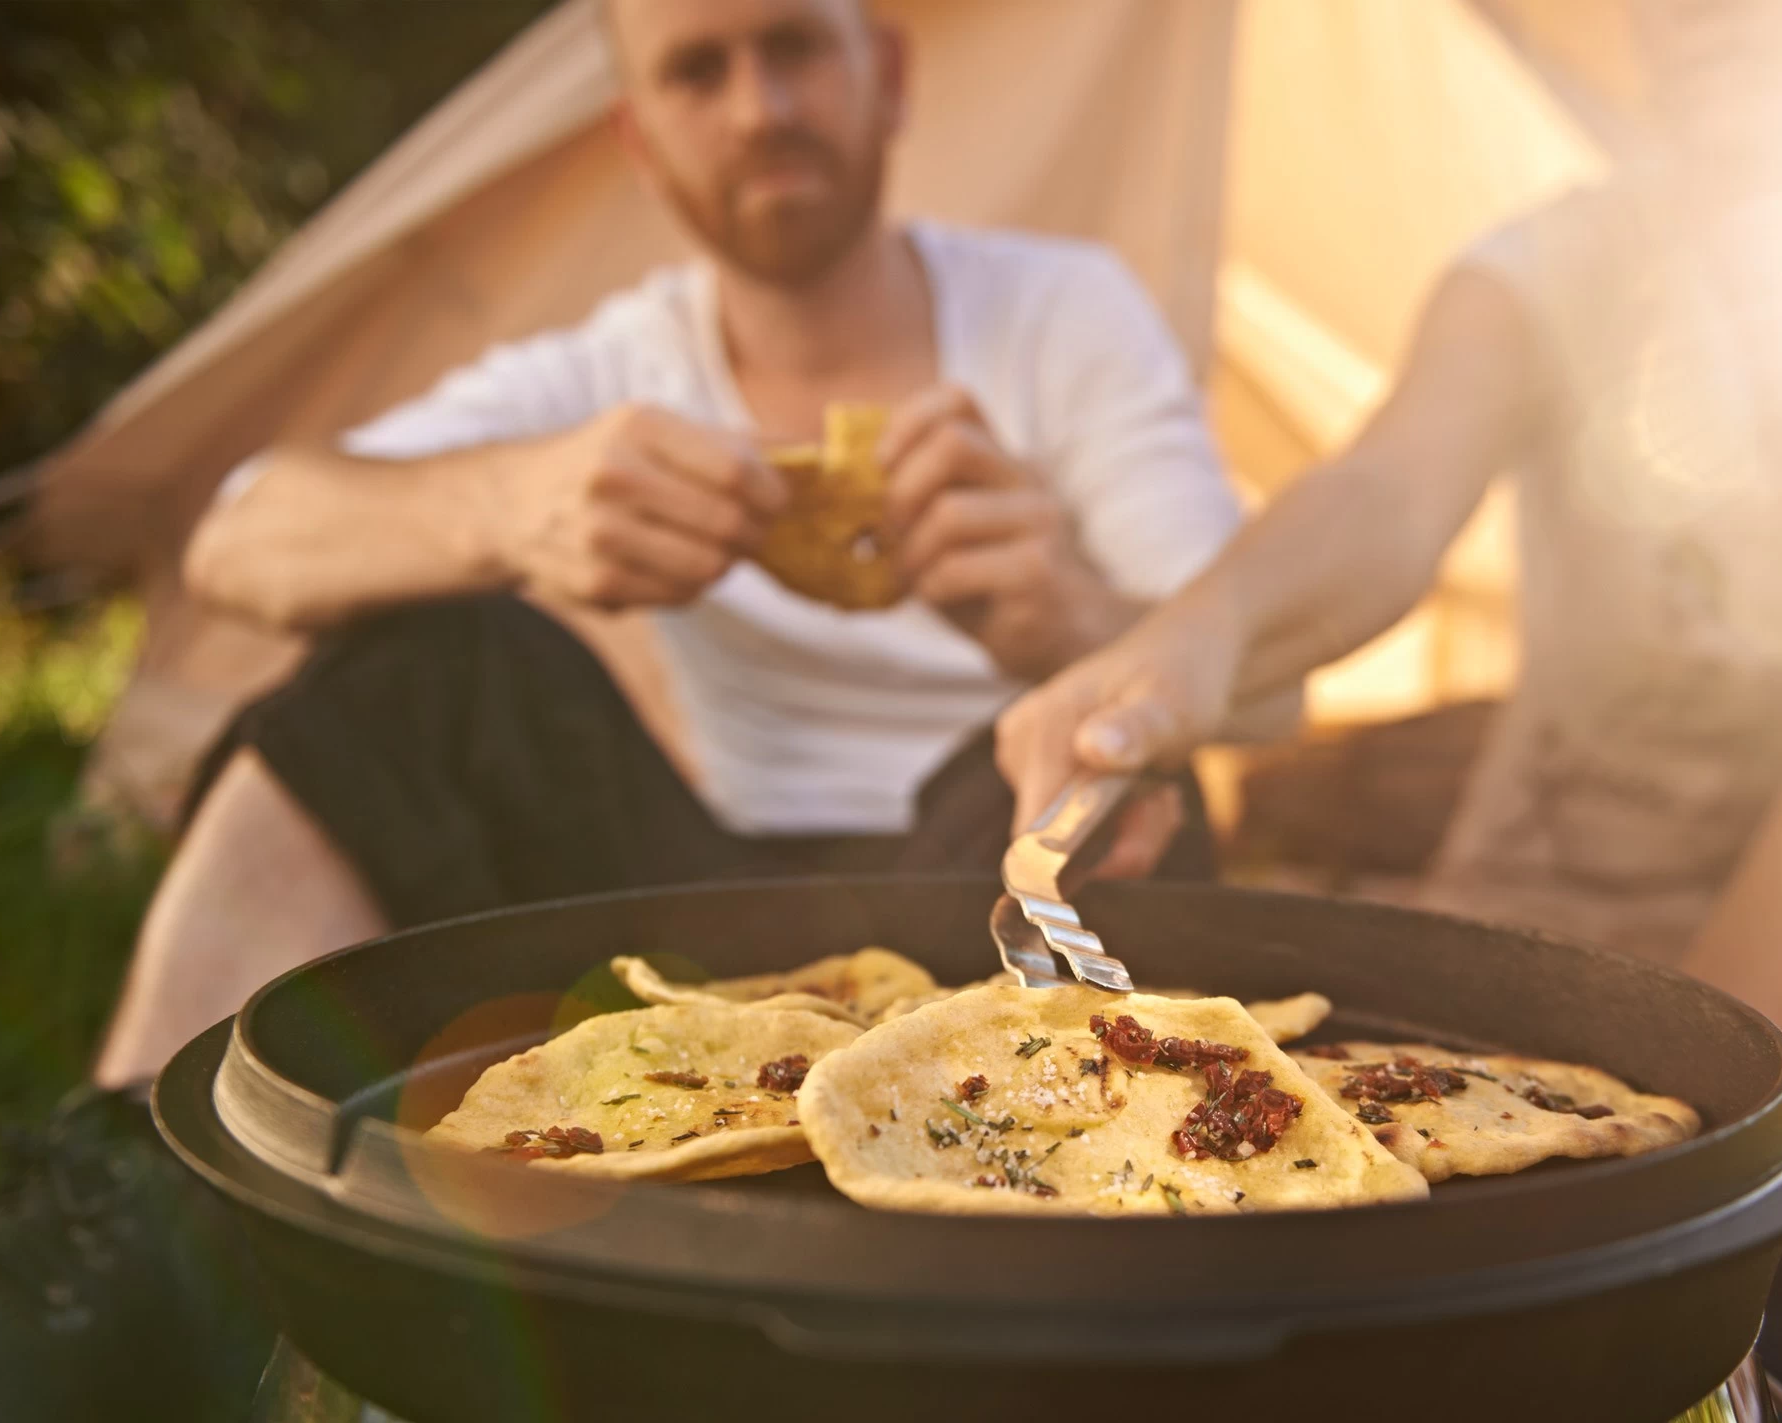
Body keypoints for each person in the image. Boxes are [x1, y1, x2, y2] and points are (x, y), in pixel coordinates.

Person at [996, 0, 1782, 1227]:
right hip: (1556, 975)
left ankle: (1722, 1190)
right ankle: (1779, 1199)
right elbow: (1389, 488)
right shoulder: (1569, 264)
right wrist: (1193, 636)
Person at [91, 0, 1236, 1088]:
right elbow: (239, 539)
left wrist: (1076, 619)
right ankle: (137, 1179)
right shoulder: (615, 372)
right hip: (694, 886)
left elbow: (1264, 677)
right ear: (637, 139)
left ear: (886, 79)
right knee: (429, 672)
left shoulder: (1065, 315)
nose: (758, 110)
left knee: (1126, 772)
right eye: (699, 71)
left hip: (994, 863)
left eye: (794, 46)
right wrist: (508, 509)